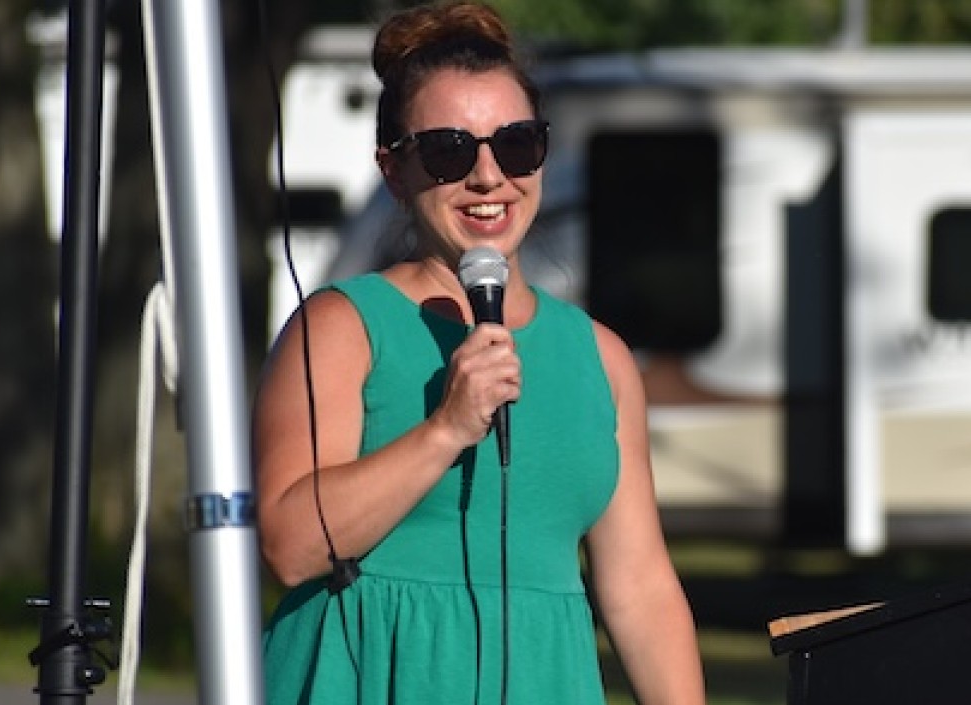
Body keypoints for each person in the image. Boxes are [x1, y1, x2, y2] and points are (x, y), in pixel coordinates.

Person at [252, 2, 708, 703]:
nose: (489, 177)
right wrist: (445, 429)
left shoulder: (601, 358)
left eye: (517, 143)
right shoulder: (342, 325)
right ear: (394, 173)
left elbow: (641, 588)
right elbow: (289, 544)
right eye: (449, 150)